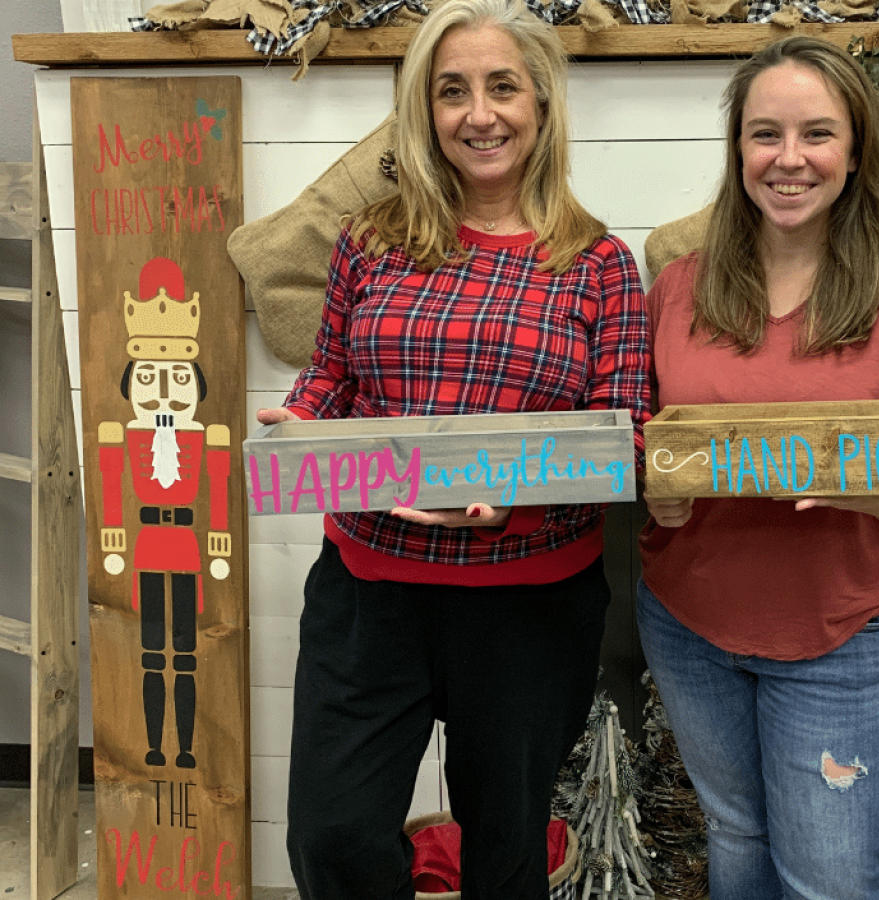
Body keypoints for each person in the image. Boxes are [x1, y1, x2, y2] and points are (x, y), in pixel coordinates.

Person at [256, 1, 650, 897]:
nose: (480, 113)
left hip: (526, 609)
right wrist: (300, 423)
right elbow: (332, 376)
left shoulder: (598, 265)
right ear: (425, 114)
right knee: (333, 839)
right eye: (452, 91)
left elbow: (620, 437)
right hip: (369, 594)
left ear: (542, 107)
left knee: (506, 853)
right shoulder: (372, 240)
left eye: (503, 87)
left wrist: (519, 498)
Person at [636, 36, 879, 900]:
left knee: (826, 878)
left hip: (842, 634)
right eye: (765, 135)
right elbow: (645, 436)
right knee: (737, 840)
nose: (789, 159)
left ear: (856, 152)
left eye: (817, 134)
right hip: (690, 626)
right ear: (736, 150)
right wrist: (657, 488)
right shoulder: (678, 286)